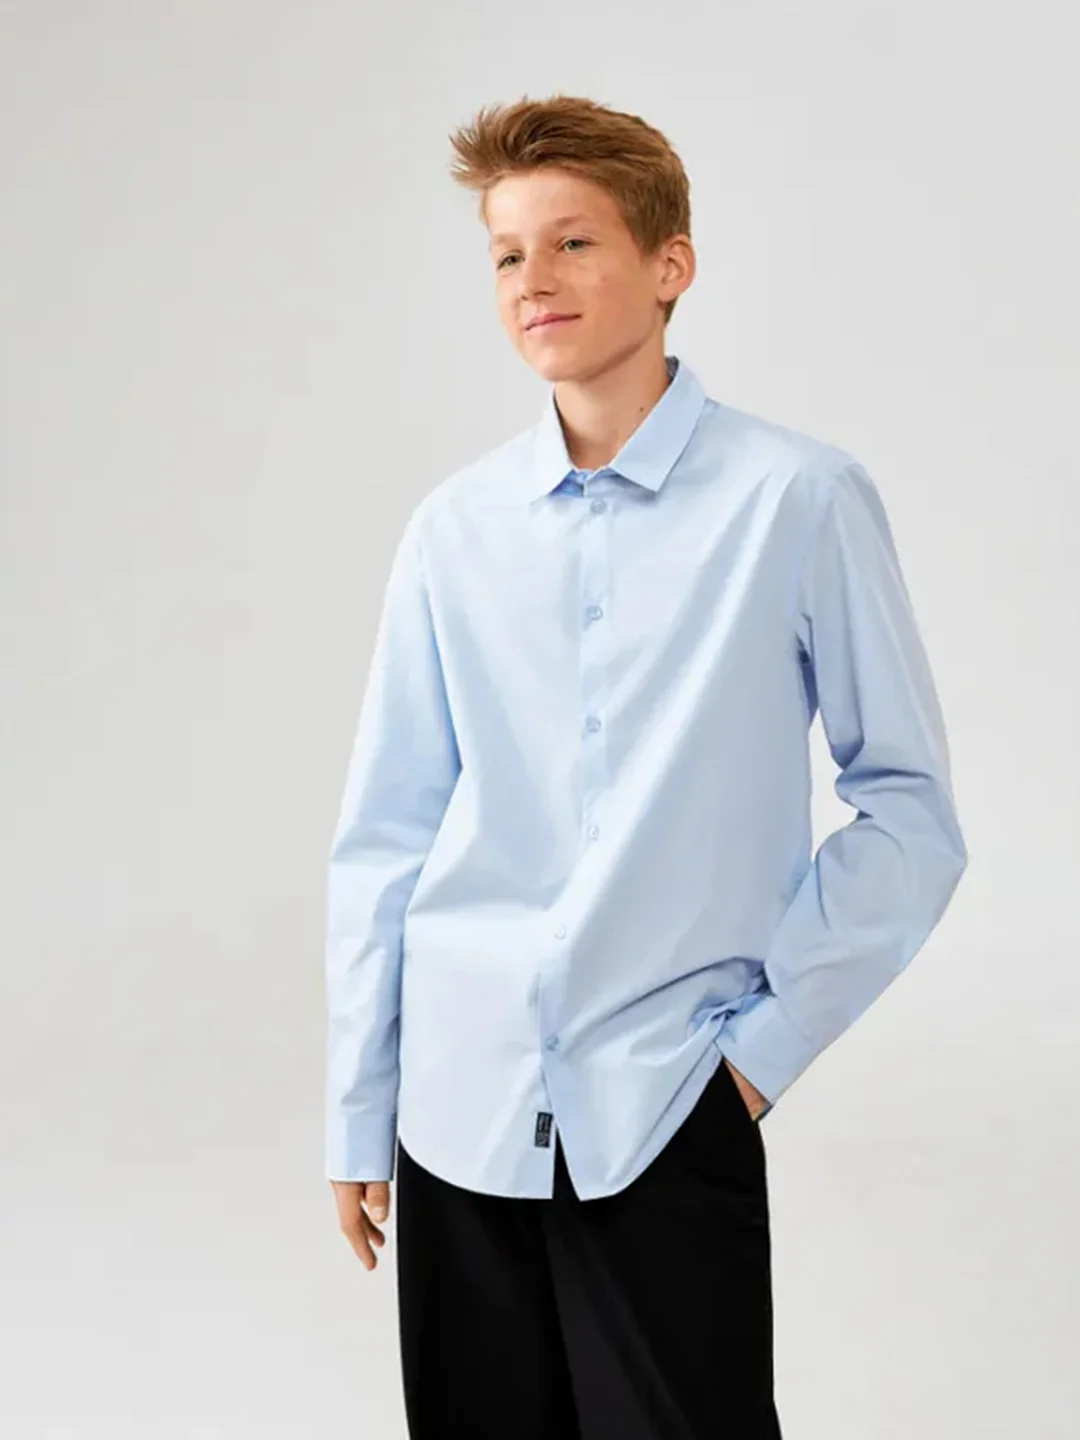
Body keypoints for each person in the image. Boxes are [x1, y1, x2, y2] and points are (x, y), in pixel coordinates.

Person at [323, 93, 968, 1439]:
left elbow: (909, 812)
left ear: (670, 264)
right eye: (507, 253)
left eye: (573, 242)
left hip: (667, 1108)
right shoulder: (454, 531)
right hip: (457, 1117)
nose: (533, 280)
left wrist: (755, 1058)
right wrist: (358, 1109)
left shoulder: (798, 500)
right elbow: (388, 835)